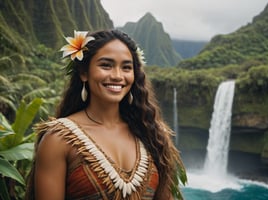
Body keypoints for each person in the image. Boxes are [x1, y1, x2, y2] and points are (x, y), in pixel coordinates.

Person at [25, 29, 186, 200]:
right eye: (106, 65)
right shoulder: (58, 139)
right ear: (84, 73)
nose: (117, 76)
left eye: (126, 67)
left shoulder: (152, 133)